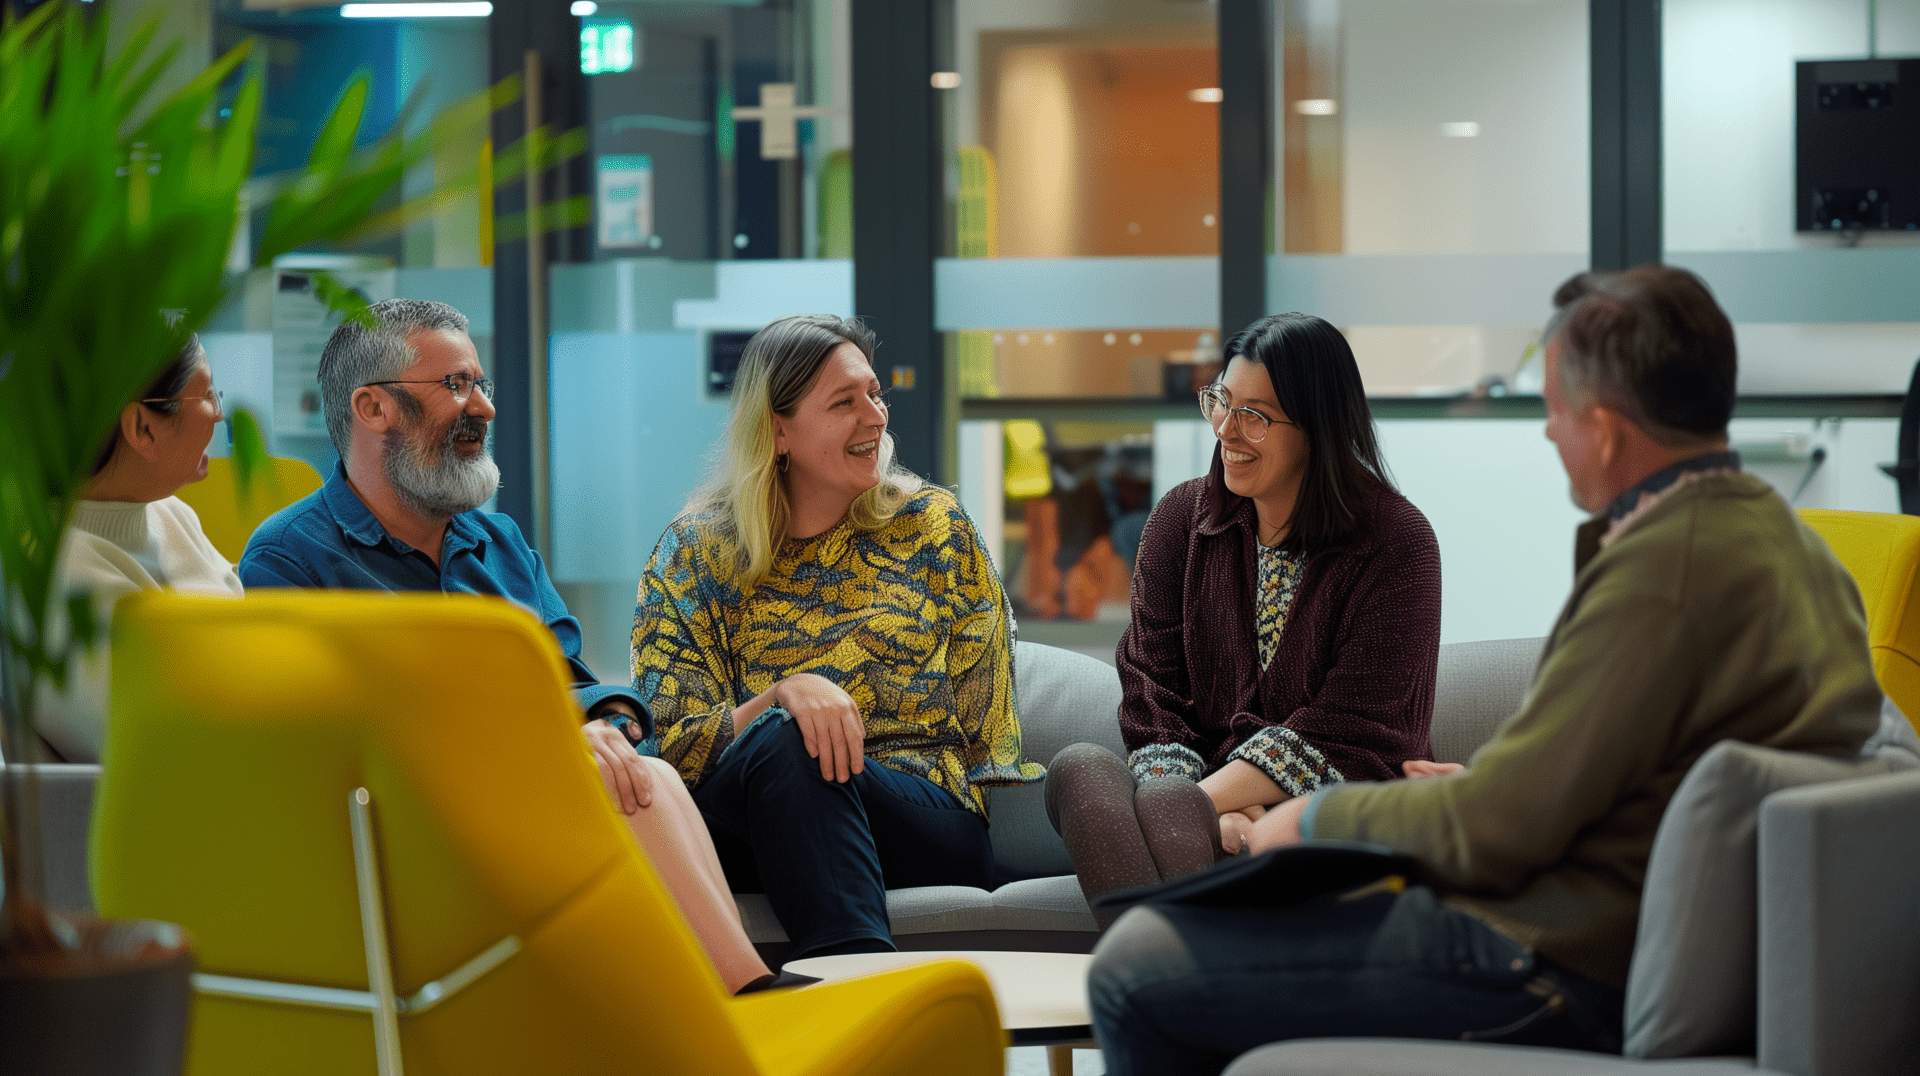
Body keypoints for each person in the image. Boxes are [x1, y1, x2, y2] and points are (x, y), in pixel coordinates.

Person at [1084, 266, 1883, 1075]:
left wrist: (1316, 820)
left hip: (1550, 955)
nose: (1547, 433)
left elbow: (1501, 826)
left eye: (1554, 411)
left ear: (1604, 431)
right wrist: (1473, 787)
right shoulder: (1798, 554)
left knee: (1133, 966)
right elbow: (1596, 784)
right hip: (1595, 925)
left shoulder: (1660, 579)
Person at [239, 299, 786, 993]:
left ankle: (734, 998)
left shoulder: (499, 546)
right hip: (408, 837)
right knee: (624, 780)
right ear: (372, 409)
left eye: (482, 384)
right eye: (456, 385)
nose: (484, 408)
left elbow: (571, 681)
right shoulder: (289, 559)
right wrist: (550, 744)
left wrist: (604, 727)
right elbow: (339, 738)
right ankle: (746, 1001)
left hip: (535, 818)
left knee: (653, 775)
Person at [631, 314, 1044, 961]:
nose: (874, 416)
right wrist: (784, 697)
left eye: (875, 394)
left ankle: (850, 1006)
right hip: (762, 810)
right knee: (785, 740)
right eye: (844, 402)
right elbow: (669, 746)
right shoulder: (694, 556)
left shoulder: (933, 527)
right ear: (778, 429)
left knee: (794, 748)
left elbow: (983, 723)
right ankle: (867, 1007)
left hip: (919, 813)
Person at [1046, 312, 1442, 916]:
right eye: (1220, 401)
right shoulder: (1180, 520)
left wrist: (1200, 804)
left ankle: (1162, 962)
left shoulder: (1398, 543)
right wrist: (1197, 809)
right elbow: (1153, 688)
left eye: (1254, 415)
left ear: (1318, 426)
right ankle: (1184, 960)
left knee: (1156, 817)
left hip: (1326, 816)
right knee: (1078, 770)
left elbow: (1355, 730)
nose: (1227, 430)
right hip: (1201, 809)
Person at [36, 335, 243, 762]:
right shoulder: (51, 574)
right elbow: (158, 753)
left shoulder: (169, 513)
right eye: (206, 394)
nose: (220, 414)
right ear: (142, 429)